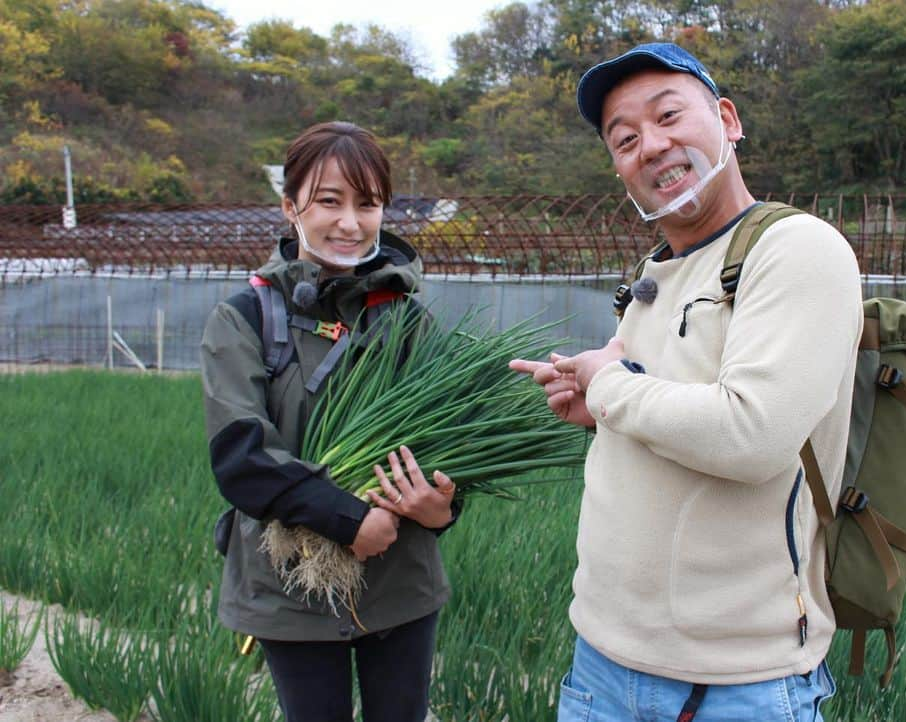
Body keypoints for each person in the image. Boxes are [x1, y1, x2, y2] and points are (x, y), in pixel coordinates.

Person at [510, 44, 862, 721]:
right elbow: (654, 403)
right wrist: (596, 402)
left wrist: (610, 385)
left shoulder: (796, 249)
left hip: (738, 684)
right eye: (626, 139)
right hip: (602, 665)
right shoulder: (653, 270)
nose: (652, 145)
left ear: (727, 119)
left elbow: (751, 434)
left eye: (669, 115)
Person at [200, 121, 458, 722]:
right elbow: (241, 458)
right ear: (291, 207)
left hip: (400, 583)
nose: (350, 222)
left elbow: (450, 440)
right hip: (289, 586)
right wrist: (349, 521)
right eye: (329, 201)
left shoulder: (407, 321)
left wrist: (443, 506)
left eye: (367, 204)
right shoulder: (244, 319)